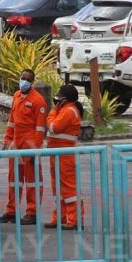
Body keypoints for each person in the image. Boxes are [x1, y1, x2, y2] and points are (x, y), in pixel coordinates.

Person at [2, 69, 48, 226]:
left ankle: (32, 212)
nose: (24, 81)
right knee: (14, 179)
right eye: (22, 78)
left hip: (29, 143)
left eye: (28, 79)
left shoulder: (38, 101)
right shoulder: (16, 96)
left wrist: (35, 149)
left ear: (32, 82)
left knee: (32, 180)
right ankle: (11, 211)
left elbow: (40, 128)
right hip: (16, 142)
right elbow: (11, 121)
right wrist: (7, 140)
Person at [45, 84, 83, 229]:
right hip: (56, 153)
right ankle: (60, 217)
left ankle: (74, 220)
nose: (57, 96)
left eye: (59, 94)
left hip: (65, 154)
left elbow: (54, 127)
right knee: (58, 188)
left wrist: (52, 111)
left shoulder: (68, 111)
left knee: (69, 188)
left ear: (65, 98)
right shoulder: (65, 110)